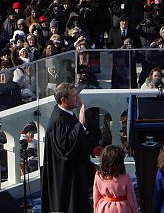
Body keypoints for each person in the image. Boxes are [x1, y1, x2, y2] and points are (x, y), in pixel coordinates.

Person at [41, 82, 93, 213]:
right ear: (63, 99)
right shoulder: (59, 121)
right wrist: (80, 125)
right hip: (67, 180)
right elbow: (66, 149)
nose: (77, 98)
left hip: (75, 175)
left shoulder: (67, 114)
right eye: (74, 96)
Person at [92, 145, 138, 213]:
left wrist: (96, 210)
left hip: (104, 208)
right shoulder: (126, 177)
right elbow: (132, 200)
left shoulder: (99, 175)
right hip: (123, 208)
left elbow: (96, 198)